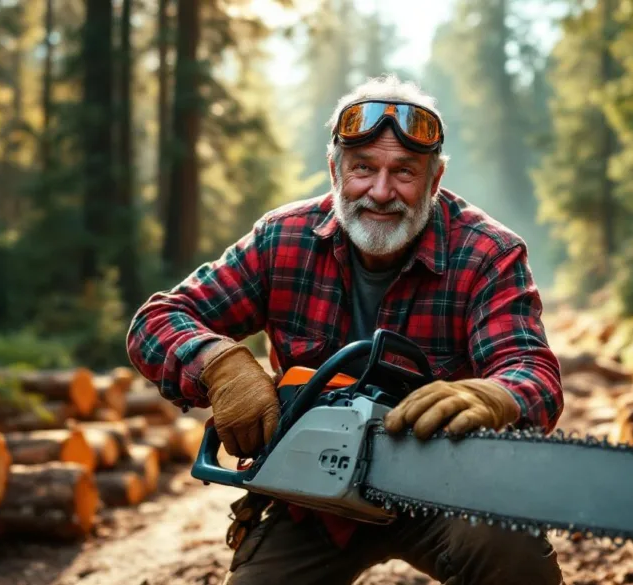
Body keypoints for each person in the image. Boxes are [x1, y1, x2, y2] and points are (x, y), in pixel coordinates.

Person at [125, 74, 565, 585]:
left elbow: (532, 371)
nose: (381, 192)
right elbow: (154, 322)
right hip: (313, 498)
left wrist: (495, 397)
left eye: (404, 172)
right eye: (362, 169)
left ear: (435, 179)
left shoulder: (487, 252)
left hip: (446, 485)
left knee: (509, 550)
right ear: (334, 169)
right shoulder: (282, 239)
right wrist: (220, 365)